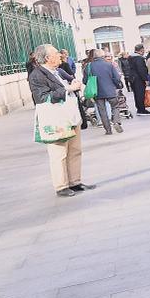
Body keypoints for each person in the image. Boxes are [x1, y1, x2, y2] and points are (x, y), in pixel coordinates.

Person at [27, 44, 96, 197]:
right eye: (56, 53)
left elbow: (71, 82)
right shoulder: (37, 75)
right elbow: (42, 97)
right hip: (55, 120)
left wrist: (75, 85)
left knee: (75, 150)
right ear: (47, 58)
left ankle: (75, 182)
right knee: (59, 154)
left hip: (71, 117)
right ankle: (61, 186)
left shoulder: (58, 71)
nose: (60, 55)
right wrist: (67, 89)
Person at [89, 49, 125, 135]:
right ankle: (116, 122)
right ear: (102, 56)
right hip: (110, 90)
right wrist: (116, 85)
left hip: (97, 91)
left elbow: (85, 80)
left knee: (102, 110)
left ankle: (108, 130)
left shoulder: (89, 66)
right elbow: (116, 78)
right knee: (115, 106)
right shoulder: (109, 65)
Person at [127, 44, 150, 114]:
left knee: (136, 94)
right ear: (141, 50)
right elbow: (141, 70)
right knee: (140, 94)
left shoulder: (130, 57)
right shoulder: (139, 58)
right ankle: (142, 109)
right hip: (138, 79)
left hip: (132, 78)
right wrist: (146, 79)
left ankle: (139, 108)